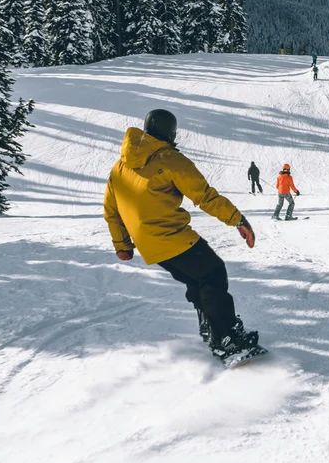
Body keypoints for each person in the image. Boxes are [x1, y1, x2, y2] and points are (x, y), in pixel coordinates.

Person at [103, 109, 259, 361]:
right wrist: (237, 220)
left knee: (197, 277)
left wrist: (123, 244)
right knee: (213, 272)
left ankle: (210, 327)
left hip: (149, 245)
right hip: (170, 235)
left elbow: (112, 209)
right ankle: (226, 338)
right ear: (171, 132)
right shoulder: (170, 159)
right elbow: (205, 196)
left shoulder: (120, 165)